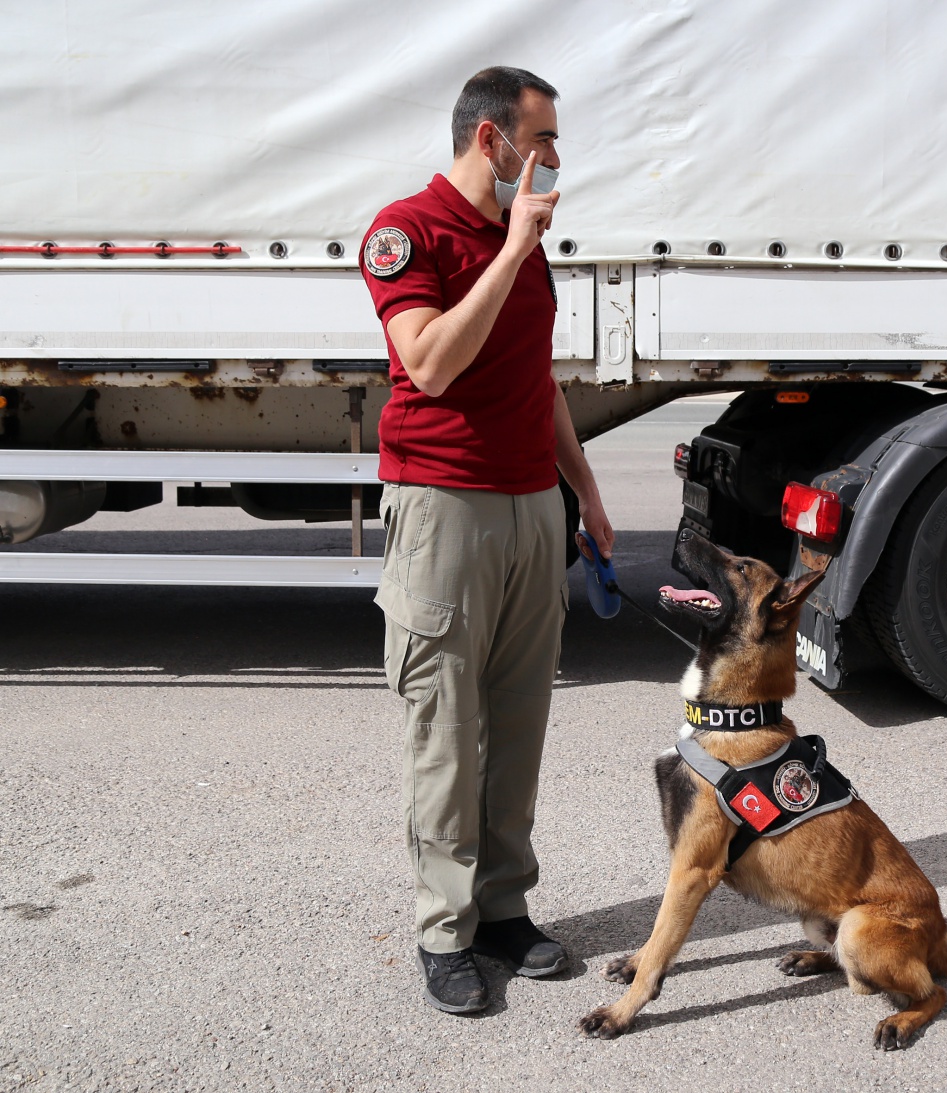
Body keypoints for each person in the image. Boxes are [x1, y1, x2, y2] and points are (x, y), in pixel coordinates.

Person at [358, 66, 615, 1015]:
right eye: (541, 140)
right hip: (443, 508)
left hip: (526, 506)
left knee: (517, 722)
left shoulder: (525, 239)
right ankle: (443, 929)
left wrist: (582, 489)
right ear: (490, 140)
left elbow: (534, 375)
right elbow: (427, 361)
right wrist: (509, 253)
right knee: (443, 733)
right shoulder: (408, 231)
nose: (551, 160)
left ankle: (504, 909)